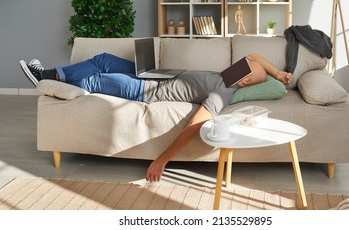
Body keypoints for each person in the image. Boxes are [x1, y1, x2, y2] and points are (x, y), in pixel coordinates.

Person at [20, 53, 292, 182]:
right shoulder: (229, 74)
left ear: (244, 83)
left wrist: (161, 160)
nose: (240, 68)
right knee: (103, 59)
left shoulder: (222, 92)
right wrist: (278, 73)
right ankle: (51, 75)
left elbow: (195, 126)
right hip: (153, 73)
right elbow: (253, 57)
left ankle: (48, 81)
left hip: (144, 89)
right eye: (242, 67)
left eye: (244, 72)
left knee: (97, 78)